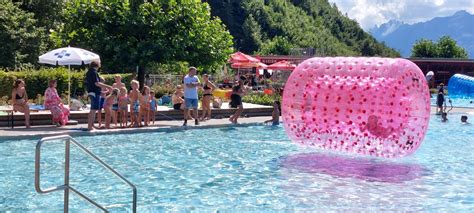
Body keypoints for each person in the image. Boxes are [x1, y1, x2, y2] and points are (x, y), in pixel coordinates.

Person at [85, 61, 112, 131]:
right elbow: (97, 83)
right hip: (94, 93)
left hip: (91, 92)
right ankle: (90, 127)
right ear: (97, 65)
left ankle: (90, 125)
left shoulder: (88, 72)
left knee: (92, 110)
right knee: (93, 110)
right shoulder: (94, 72)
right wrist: (108, 86)